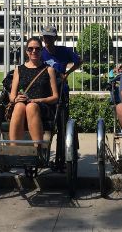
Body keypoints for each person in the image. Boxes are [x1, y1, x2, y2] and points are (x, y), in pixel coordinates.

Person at [40, 25, 81, 167]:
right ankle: (42, 156)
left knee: (62, 125)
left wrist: (68, 73)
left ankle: (61, 158)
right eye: (45, 37)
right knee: (46, 124)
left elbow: (79, 61)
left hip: (61, 90)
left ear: (55, 38)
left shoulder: (63, 51)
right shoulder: (39, 52)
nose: (47, 40)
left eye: (50, 37)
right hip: (45, 92)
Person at [9, 37, 59, 142]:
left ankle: (38, 149)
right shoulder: (19, 70)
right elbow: (12, 96)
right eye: (30, 49)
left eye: (37, 49)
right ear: (26, 51)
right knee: (19, 106)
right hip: (22, 105)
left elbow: (55, 97)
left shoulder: (49, 70)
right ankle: (13, 149)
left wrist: (37, 100)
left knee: (31, 106)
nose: (34, 51)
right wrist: (16, 99)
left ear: (41, 51)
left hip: (43, 106)